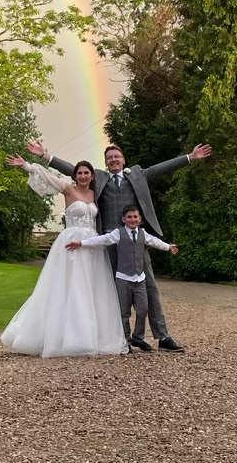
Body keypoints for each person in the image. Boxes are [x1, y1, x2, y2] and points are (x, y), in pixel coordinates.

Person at [27, 139, 212, 352]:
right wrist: (44, 156)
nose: (113, 160)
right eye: (109, 158)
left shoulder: (138, 174)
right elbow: (74, 169)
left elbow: (162, 168)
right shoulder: (100, 178)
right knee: (114, 291)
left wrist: (189, 157)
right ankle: (122, 337)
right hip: (108, 242)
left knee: (149, 287)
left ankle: (163, 337)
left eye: (117, 157)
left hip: (135, 242)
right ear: (106, 163)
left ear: (123, 160)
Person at [0, 153, 128, 358]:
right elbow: (47, 175)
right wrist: (27, 165)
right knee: (70, 287)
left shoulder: (95, 194)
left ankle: (90, 335)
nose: (83, 176)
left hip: (91, 246)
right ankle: (64, 336)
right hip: (71, 244)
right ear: (75, 176)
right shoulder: (68, 190)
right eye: (79, 173)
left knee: (92, 289)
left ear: (92, 176)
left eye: (87, 173)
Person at [66, 204, 179, 353]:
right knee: (124, 311)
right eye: (129, 217)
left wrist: (168, 247)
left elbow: (154, 241)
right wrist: (82, 243)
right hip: (123, 279)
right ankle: (125, 340)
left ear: (140, 219)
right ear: (123, 219)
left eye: (135, 217)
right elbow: (102, 239)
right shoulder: (118, 233)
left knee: (142, 308)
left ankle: (138, 337)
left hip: (139, 279)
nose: (132, 220)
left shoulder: (143, 234)